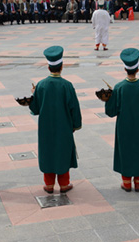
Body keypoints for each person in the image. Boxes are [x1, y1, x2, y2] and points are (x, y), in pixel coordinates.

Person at [29, 46, 82, 193]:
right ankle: (64, 184)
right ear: (62, 66)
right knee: (62, 152)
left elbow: (35, 109)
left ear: (48, 67)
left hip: (46, 127)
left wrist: (34, 95)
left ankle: (49, 185)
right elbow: (74, 108)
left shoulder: (41, 85)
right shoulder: (67, 85)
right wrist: (75, 125)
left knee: (48, 152)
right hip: (64, 126)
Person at [103, 48, 139, 192]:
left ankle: (126, 183)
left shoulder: (119, 87)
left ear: (125, 68)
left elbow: (111, 112)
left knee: (125, 149)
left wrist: (108, 99)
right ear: (138, 68)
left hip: (123, 125)